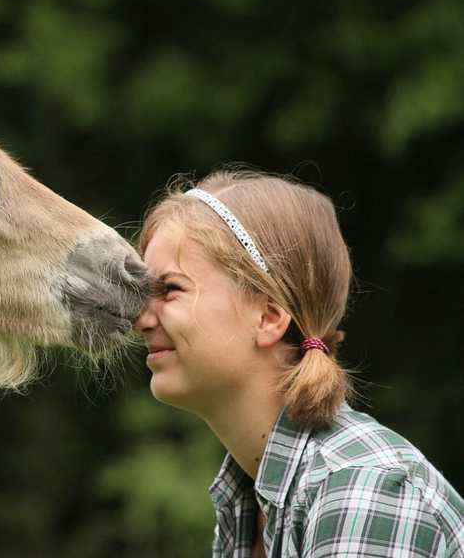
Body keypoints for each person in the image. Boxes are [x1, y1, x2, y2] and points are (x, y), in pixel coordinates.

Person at [134, 169, 464, 557]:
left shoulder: (360, 487)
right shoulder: (250, 502)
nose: (141, 320)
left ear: (268, 318)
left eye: (170, 289)